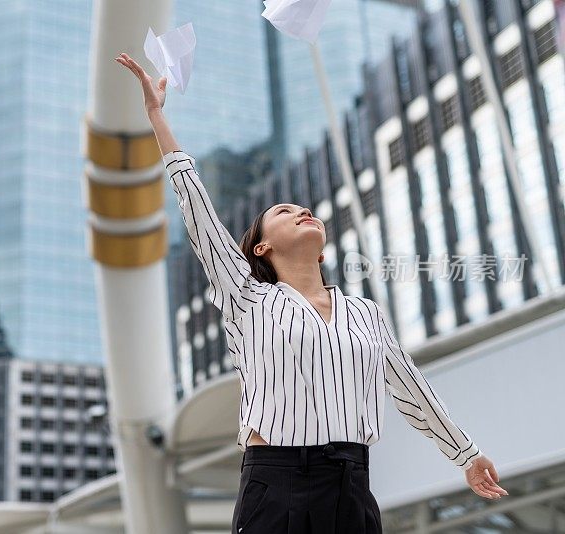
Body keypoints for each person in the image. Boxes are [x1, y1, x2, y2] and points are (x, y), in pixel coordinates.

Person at [114, 52, 508, 533]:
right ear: (261, 245)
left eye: (306, 209)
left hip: (351, 484)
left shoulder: (364, 313)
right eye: (285, 211)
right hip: (274, 483)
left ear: (322, 249)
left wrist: (466, 455)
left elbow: (411, 390)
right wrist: (158, 118)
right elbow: (198, 214)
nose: (302, 211)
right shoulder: (247, 297)